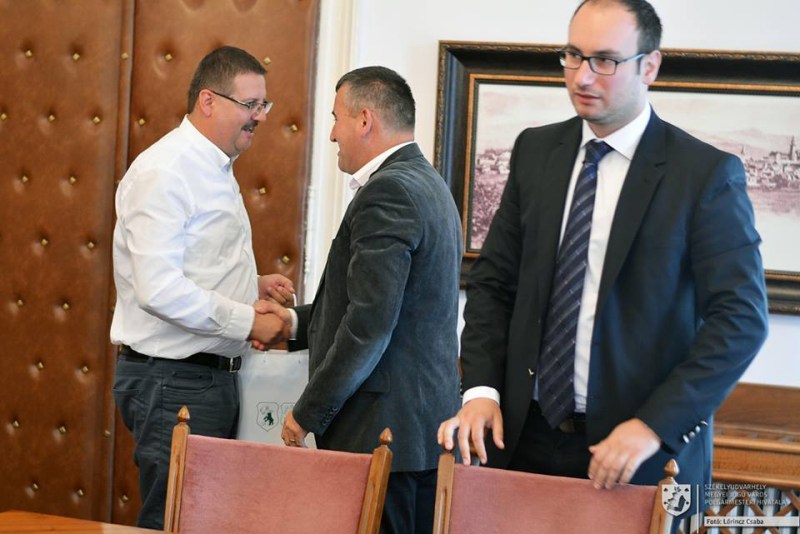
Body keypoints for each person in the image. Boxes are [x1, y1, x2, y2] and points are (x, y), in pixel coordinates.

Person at [438, 0, 768, 495]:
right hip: (521, 437)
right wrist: (481, 389)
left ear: (649, 66)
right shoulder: (535, 152)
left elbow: (741, 320)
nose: (583, 76)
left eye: (605, 60)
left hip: (639, 456)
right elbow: (494, 283)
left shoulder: (703, 175)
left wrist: (654, 425)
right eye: (573, 55)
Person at [111, 46, 293, 529]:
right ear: (208, 101)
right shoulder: (166, 171)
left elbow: (194, 262)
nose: (260, 117)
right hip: (174, 381)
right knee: (176, 521)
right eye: (250, 104)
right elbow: (158, 288)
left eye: (264, 105)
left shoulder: (213, 166)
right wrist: (248, 320)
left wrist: (252, 284)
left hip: (204, 380)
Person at [279, 66, 462, 533]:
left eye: (336, 119)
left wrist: (307, 412)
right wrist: (289, 324)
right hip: (415, 436)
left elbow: (368, 325)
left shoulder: (389, 190)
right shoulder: (427, 181)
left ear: (364, 120)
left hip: (383, 436)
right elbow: (382, 307)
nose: (332, 134)